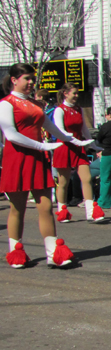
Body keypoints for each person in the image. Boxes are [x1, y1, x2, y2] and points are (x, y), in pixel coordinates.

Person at [0, 63, 76, 268]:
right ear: (14, 80)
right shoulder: (6, 103)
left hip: (37, 158)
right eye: (27, 78)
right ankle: (16, 253)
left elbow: (52, 128)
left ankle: (54, 253)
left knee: (45, 206)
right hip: (16, 158)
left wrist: (74, 140)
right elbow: (11, 135)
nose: (31, 82)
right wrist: (42, 145)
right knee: (18, 208)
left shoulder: (36, 104)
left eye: (33, 79)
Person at [51, 83, 104, 223]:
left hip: (79, 147)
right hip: (64, 147)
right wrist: (77, 141)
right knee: (63, 182)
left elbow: (84, 130)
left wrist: (93, 145)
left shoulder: (79, 109)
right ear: (65, 93)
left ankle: (91, 211)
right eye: (74, 93)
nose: (76, 96)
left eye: (77, 93)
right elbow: (60, 131)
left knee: (86, 178)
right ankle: (62, 211)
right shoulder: (59, 110)